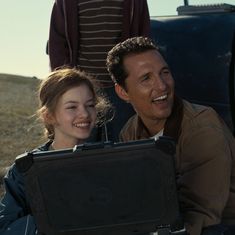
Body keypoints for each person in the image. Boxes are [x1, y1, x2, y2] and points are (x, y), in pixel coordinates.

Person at [106, 36, 235, 235]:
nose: (162, 86)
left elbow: (200, 215)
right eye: (146, 78)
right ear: (123, 92)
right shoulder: (130, 131)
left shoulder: (202, 127)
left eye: (164, 72)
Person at [0, 67, 111, 234]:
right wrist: (54, 221)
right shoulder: (25, 170)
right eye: (72, 107)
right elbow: (5, 227)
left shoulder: (112, 161)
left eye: (90, 105)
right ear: (49, 116)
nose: (85, 114)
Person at [47, 0, 151, 142]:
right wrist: (64, 86)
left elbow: (143, 38)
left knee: (124, 146)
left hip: (123, 88)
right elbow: (58, 43)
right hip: (81, 91)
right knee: (82, 149)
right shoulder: (65, 2)